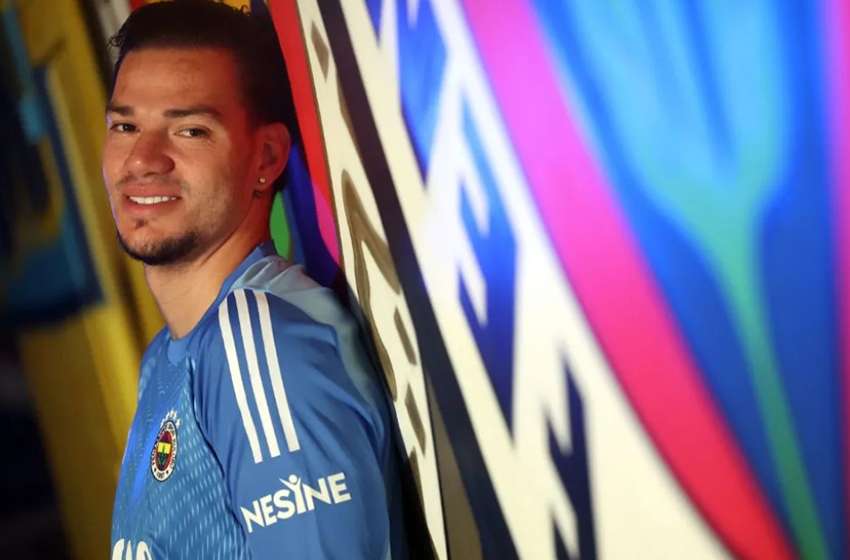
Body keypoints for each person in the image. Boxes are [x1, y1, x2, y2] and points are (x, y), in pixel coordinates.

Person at [103, 2, 409, 558]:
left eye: (190, 130)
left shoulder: (260, 346)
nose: (142, 159)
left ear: (266, 157)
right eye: (125, 126)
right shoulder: (169, 357)